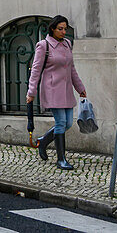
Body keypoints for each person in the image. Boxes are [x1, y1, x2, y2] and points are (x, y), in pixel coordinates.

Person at [26, 15, 87, 170]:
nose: (63, 31)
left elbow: (71, 69)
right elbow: (36, 70)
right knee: (60, 123)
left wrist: (80, 87)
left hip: (65, 89)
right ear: (52, 28)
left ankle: (43, 142)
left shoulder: (67, 43)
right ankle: (61, 159)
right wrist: (31, 92)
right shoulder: (43, 45)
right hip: (52, 89)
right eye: (60, 28)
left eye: (65, 28)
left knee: (67, 123)